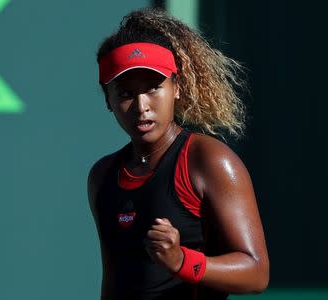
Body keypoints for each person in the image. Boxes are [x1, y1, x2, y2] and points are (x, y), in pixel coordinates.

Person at [87, 8, 269, 300]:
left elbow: (256, 273)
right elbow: (113, 281)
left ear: (177, 87)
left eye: (154, 88)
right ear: (107, 99)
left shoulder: (208, 160)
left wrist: (183, 262)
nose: (141, 105)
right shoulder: (102, 175)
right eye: (125, 93)